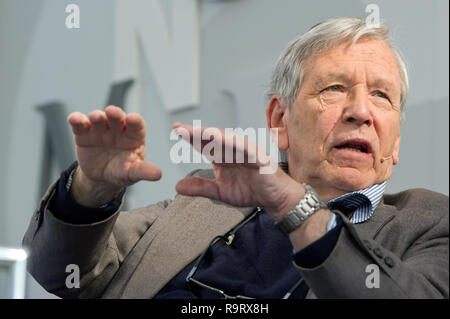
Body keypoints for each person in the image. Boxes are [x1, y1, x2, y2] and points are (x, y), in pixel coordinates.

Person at [23, 17, 448, 299]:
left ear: (395, 145)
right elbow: (64, 274)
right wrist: (90, 191)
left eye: (381, 95)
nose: (361, 111)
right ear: (280, 119)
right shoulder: (202, 201)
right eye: (334, 89)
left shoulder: (427, 224)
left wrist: (293, 207)